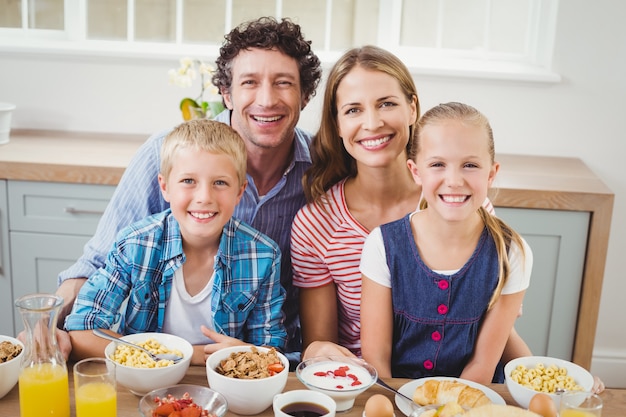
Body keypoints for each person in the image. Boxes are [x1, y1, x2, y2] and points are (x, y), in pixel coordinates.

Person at [55, 16, 322, 362]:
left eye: (283, 82)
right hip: (148, 369)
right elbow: (98, 263)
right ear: (226, 93)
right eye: (250, 82)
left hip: (249, 365)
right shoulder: (165, 155)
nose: (267, 99)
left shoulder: (322, 168)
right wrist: (48, 324)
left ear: (305, 95)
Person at [290, 45, 529, 363]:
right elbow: (322, 344)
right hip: (368, 385)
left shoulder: (459, 201)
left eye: (386, 104)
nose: (372, 123)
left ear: (412, 108)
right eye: (353, 110)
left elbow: (489, 327)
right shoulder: (315, 224)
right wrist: (316, 352)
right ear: (337, 125)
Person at [65, 119, 287, 365]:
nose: (204, 197)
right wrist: (189, 355)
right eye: (188, 181)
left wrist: (249, 351)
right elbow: (82, 331)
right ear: (164, 186)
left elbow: (272, 352)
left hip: (221, 388)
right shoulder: (136, 244)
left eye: (220, 183)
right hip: (145, 383)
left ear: (239, 191)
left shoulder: (263, 256)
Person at [359, 102, 532, 384]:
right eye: (438, 164)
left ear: (491, 173)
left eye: (470, 165)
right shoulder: (382, 245)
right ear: (416, 172)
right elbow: (377, 357)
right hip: (398, 396)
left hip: (474, 396)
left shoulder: (512, 252)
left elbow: (482, 363)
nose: (453, 180)